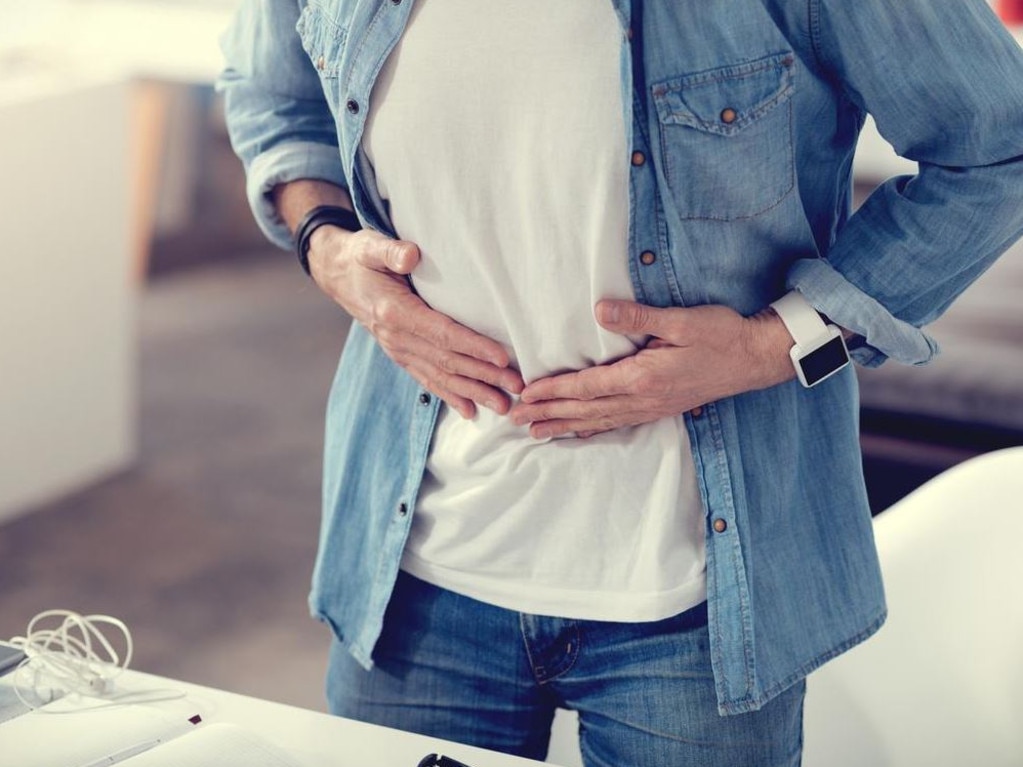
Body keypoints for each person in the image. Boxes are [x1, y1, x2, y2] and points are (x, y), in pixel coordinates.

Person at [218, 1, 1023, 764]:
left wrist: (772, 345)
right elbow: (272, 93)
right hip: (412, 581)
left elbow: (997, 144)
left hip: (699, 608)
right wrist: (328, 251)